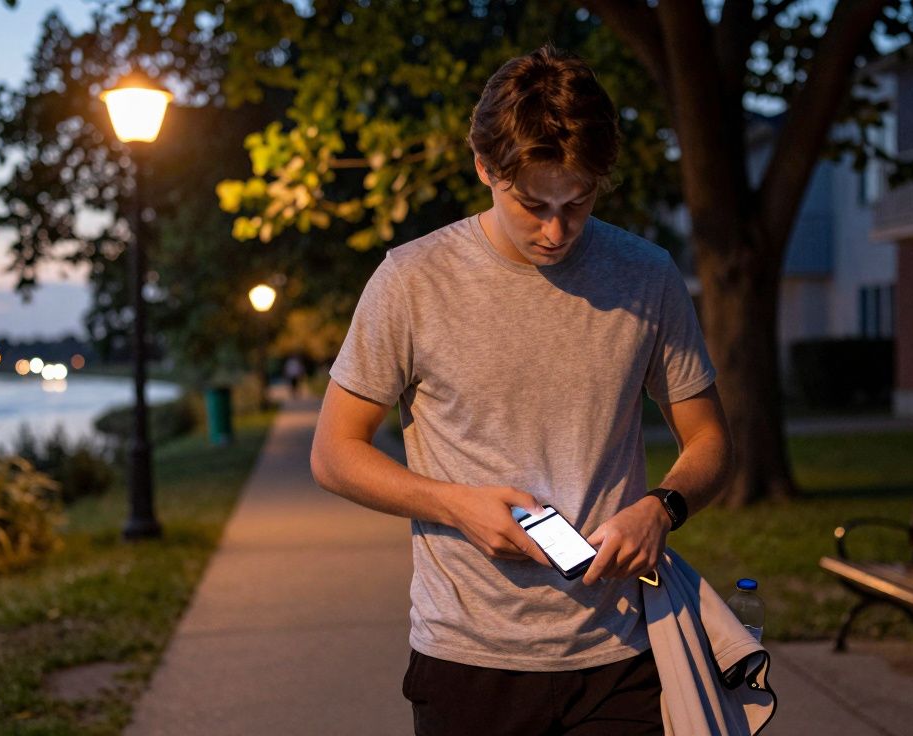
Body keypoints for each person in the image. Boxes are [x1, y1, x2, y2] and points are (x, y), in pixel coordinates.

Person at [310, 44, 733, 735]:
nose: (557, 230)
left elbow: (711, 441)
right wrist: (457, 507)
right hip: (468, 660)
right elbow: (333, 454)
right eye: (532, 203)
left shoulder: (648, 275)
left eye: (580, 201)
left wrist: (660, 509)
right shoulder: (411, 281)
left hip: (619, 654)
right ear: (485, 167)